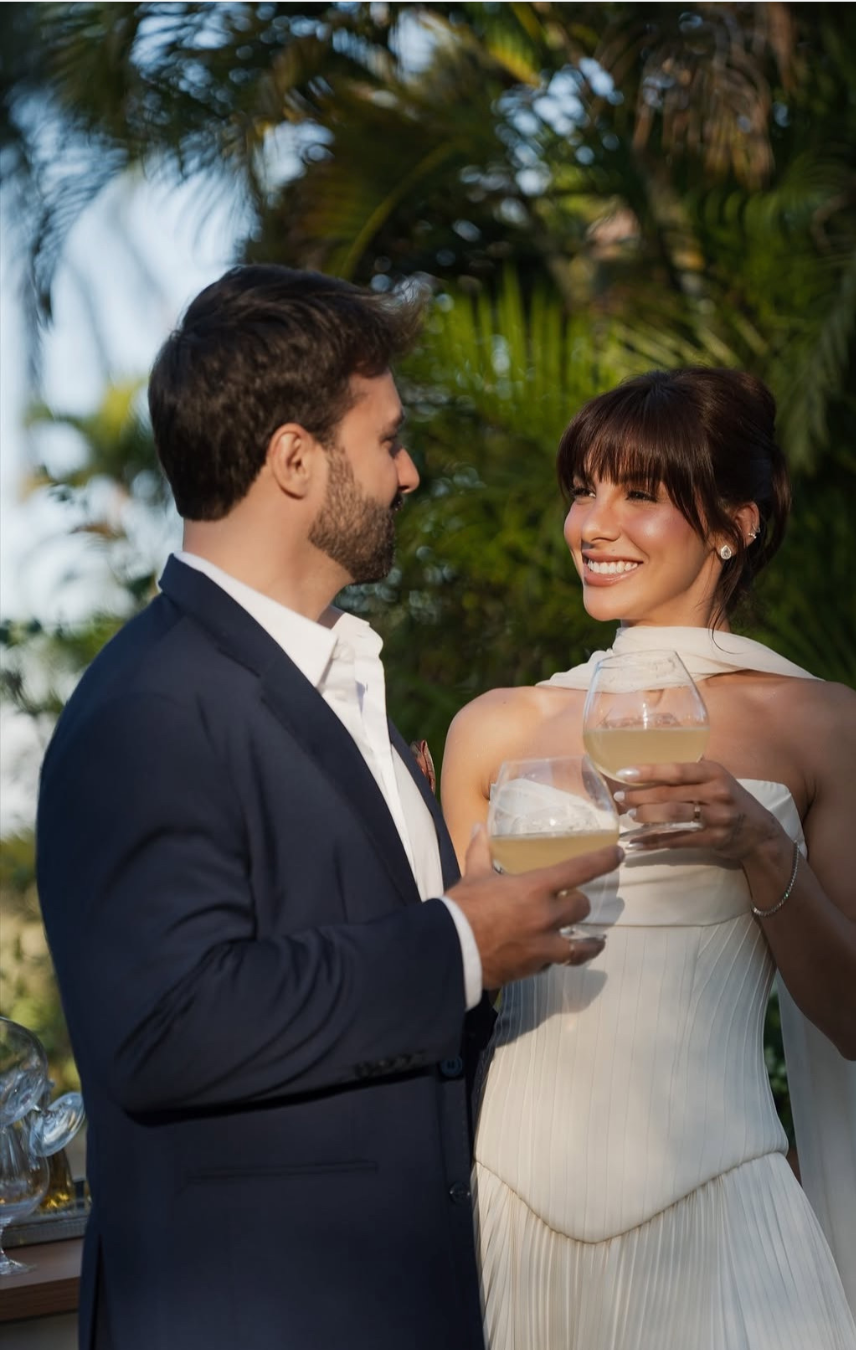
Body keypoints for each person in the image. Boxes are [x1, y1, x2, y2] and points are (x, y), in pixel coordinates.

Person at [35, 264, 617, 1350]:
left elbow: (385, 1028)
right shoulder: (150, 706)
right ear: (295, 458)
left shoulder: (348, 691)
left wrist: (491, 925)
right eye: (388, 439)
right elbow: (166, 1028)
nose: (409, 472)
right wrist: (460, 939)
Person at [442, 367, 856, 1350]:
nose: (594, 523)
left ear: (734, 524)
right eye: (584, 489)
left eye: (639, 495)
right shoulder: (494, 730)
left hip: (724, 1222)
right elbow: (444, 991)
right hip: (506, 1226)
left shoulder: (825, 728)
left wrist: (756, 847)